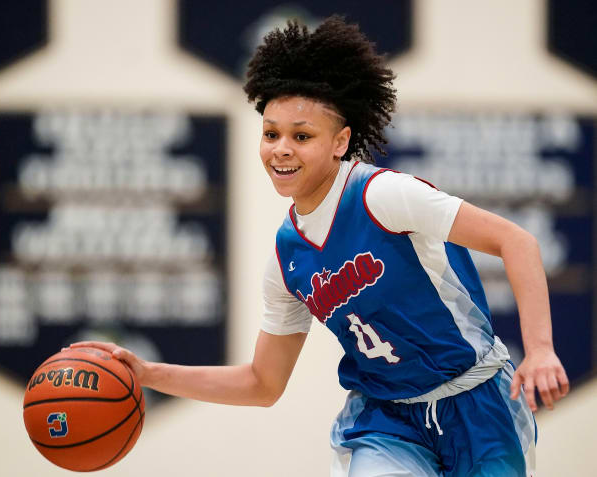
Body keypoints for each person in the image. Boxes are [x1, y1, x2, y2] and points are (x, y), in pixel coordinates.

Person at [70, 16, 569, 476]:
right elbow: (262, 384)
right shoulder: (287, 261)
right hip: (386, 418)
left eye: (301, 135)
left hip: (477, 403)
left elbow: (515, 241)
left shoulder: (384, 196)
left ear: (339, 140)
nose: (281, 148)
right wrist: (147, 372)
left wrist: (541, 349)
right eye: (270, 133)